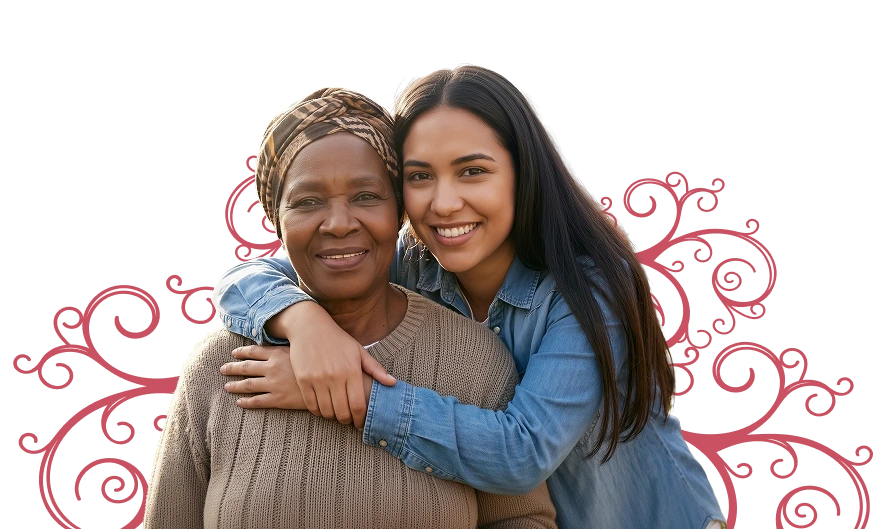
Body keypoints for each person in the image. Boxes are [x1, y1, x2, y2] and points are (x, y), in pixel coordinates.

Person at [213, 65, 727, 529]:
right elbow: (247, 278)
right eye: (419, 177)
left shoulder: (585, 289)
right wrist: (301, 321)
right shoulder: (411, 261)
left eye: (472, 171)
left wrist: (347, 397)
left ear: (522, 172)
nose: (444, 202)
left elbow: (521, 453)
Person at [142, 86, 558, 529]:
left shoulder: (474, 362)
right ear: (276, 219)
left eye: (365, 196)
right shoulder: (222, 367)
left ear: (399, 211)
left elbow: (525, 517)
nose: (339, 224)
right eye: (307, 202)